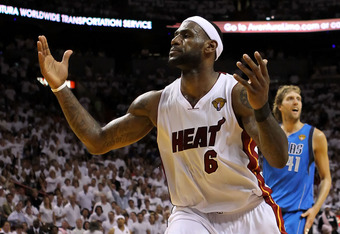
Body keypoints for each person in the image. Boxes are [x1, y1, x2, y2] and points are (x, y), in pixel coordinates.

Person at [37, 15, 288, 233]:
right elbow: (98, 141)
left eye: (186, 35)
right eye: (175, 35)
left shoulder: (235, 93)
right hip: (193, 215)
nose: (175, 40)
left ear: (209, 47)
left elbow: (278, 159)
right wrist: (59, 87)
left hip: (248, 210)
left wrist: (262, 108)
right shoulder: (156, 103)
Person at [262, 85, 332, 234]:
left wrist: (315, 209)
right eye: (290, 98)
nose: (296, 102)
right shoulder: (269, 134)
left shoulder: (315, 136)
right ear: (279, 106)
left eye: (298, 99)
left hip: (296, 213)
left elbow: (326, 178)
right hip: (267, 210)